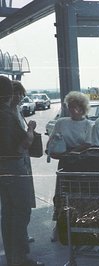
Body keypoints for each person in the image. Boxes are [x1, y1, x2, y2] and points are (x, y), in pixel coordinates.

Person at [0, 76, 44, 266]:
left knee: (8, 213)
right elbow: (23, 145)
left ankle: (12, 259)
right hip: (14, 166)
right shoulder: (7, 114)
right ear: (9, 93)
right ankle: (20, 259)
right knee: (21, 211)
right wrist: (31, 129)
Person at [47, 91, 93, 242]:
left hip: (82, 164)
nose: (72, 110)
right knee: (61, 196)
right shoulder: (61, 122)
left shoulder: (88, 124)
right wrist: (53, 150)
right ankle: (58, 228)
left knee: (81, 197)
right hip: (65, 163)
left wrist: (71, 152)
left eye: (76, 107)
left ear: (83, 108)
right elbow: (53, 140)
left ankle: (82, 230)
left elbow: (88, 144)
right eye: (70, 107)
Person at [11, 81, 37, 243]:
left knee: (24, 200)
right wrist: (31, 131)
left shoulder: (18, 111)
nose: (19, 96)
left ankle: (22, 234)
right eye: (16, 93)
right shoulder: (8, 114)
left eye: (21, 93)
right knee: (19, 202)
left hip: (24, 159)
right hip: (17, 159)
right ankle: (18, 237)